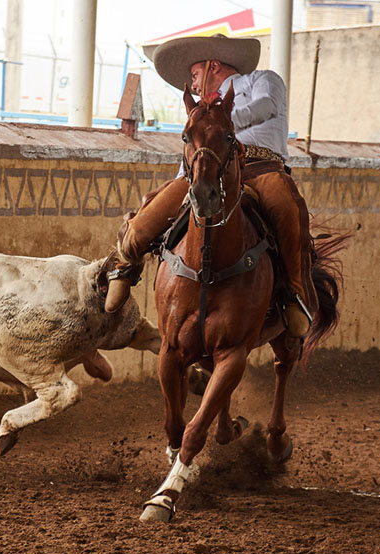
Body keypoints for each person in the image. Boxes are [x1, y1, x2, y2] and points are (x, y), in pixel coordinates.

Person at [104, 33, 316, 338]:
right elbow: (193, 152)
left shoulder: (263, 80)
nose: (192, 84)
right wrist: (180, 181)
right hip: (208, 173)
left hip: (262, 168)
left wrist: (219, 122)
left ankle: (295, 295)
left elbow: (267, 106)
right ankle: (124, 266)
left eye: (194, 74)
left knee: (288, 212)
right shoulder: (201, 112)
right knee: (146, 216)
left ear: (213, 65)